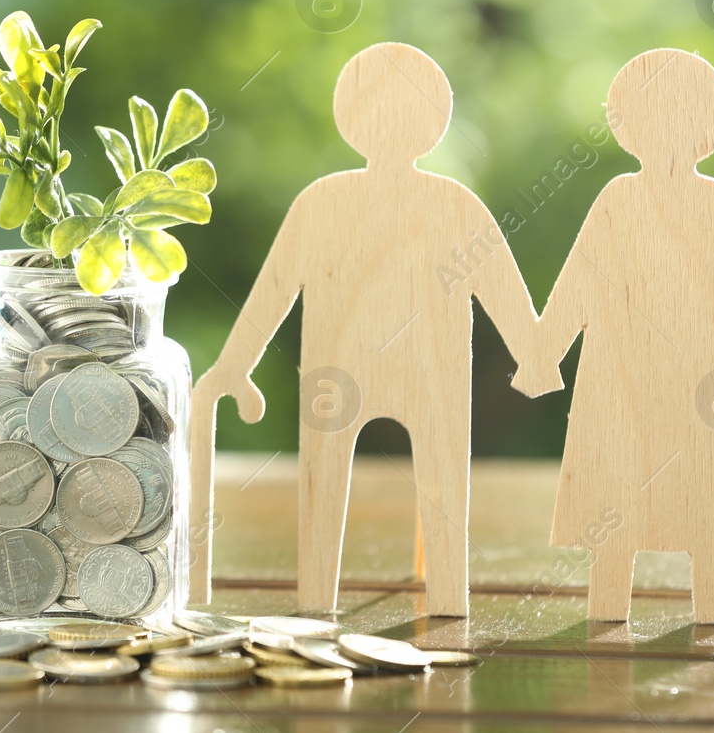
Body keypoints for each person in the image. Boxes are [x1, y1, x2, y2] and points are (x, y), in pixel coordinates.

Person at [192, 42, 538, 616]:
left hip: (348, 371)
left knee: (340, 480)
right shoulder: (454, 204)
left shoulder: (324, 201)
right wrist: (535, 354)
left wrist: (235, 365)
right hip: (413, 374)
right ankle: (445, 598)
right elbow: (510, 301)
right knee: (431, 478)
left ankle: (323, 599)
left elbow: (274, 290)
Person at [512, 49, 714, 623]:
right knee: (622, 511)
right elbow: (580, 283)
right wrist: (542, 353)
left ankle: (706, 612)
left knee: (703, 509)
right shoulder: (621, 201)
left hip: (698, 387)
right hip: (629, 383)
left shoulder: (708, 204)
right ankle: (619, 610)